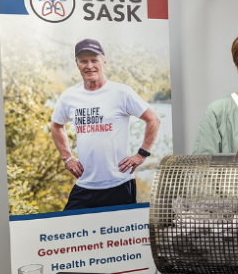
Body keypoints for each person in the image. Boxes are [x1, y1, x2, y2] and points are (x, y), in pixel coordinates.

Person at [50, 38, 161, 211]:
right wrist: (68, 158)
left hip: (119, 184)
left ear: (104, 61)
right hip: (85, 184)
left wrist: (141, 154)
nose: (89, 66)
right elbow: (56, 125)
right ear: (77, 64)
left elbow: (153, 119)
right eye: (83, 61)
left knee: (123, 235)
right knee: (69, 230)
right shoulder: (69, 96)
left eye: (94, 60)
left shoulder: (121, 92)